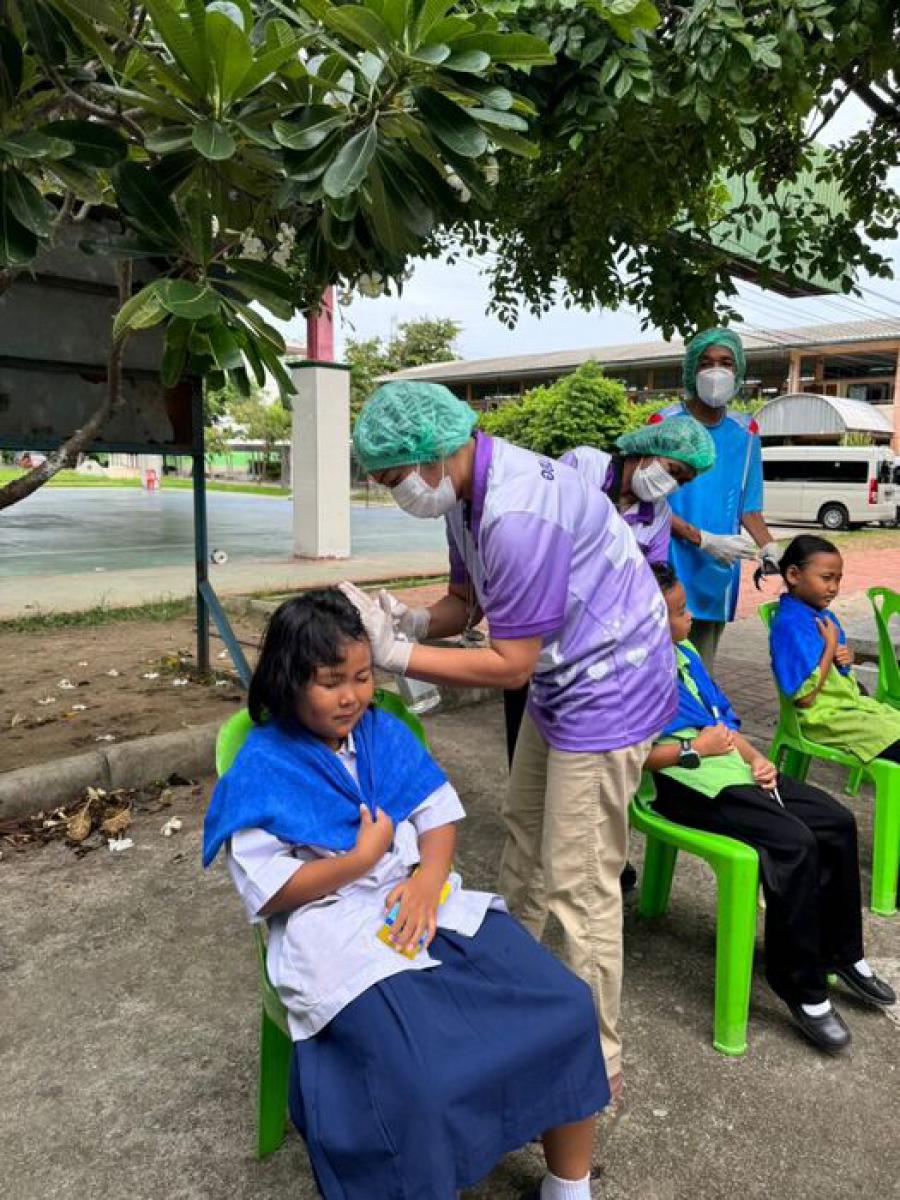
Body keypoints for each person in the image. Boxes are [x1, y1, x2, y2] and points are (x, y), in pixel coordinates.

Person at [203, 590, 609, 1200]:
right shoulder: (262, 766)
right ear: (288, 681)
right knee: (421, 1079)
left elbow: (436, 814)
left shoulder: (381, 734)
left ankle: (568, 1187)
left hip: (419, 897)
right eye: (331, 682)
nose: (352, 696)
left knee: (568, 1006)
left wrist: (426, 880)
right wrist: (360, 859)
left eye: (363, 677)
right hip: (330, 926)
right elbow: (271, 891)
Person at [346, 381, 677, 1099]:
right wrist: (408, 620)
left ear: (432, 453)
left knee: (579, 879)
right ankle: (513, 988)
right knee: (524, 836)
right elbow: (466, 603)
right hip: (565, 673)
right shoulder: (464, 494)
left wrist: (395, 656)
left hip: (609, 683)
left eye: (392, 478)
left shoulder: (517, 511)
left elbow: (509, 665)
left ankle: (597, 1060)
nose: (394, 492)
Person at [646, 563, 895, 1051]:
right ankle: (802, 988)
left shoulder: (686, 653)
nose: (690, 617)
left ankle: (841, 953)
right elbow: (625, 757)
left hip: (730, 768)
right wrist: (694, 749)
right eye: (678, 612)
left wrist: (757, 759)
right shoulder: (631, 673)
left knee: (835, 821)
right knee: (793, 843)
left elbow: (721, 724)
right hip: (684, 783)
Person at [503, 417, 716, 767]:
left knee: (570, 733)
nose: (672, 484)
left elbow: (652, 580)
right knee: (526, 718)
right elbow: (538, 525)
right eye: (672, 470)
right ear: (648, 450)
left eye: (682, 481)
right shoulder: (585, 464)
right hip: (539, 612)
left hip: (591, 640)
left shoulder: (658, 516)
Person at [650, 327, 781, 668]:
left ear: (738, 372)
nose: (716, 371)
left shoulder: (746, 432)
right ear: (692, 370)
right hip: (667, 563)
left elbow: (749, 507)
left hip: (718, 569)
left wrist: (770, 548)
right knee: (658, 667)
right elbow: (647, 501)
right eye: (706, 363)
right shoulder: (665, 423)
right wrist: (703, 539)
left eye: (725, 363)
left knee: (701, 669)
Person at [769, 534, 900, 763]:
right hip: (821, 719)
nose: (833, 588)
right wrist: (830, 647)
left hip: (846, 708)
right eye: (826, 578)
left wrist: (844, 658)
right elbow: (805, 698)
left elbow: (837, 669)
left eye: (838, 580)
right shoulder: (789, 626)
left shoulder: (821, 615)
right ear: (793, 575)